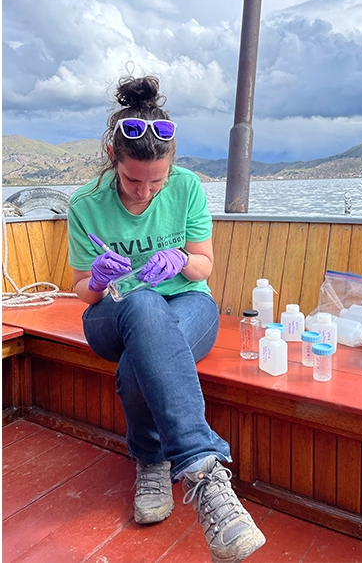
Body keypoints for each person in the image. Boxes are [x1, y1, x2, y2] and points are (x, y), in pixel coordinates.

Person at [68, 76, 266, 563]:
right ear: (114, 158)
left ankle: (155, 459)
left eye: (156, 181)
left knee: (147, 346)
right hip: (111, 313)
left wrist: (180, 259)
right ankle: (204, 467)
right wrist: (96, 276)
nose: (145, 191)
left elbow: (204, 264)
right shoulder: (85, 204)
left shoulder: (188, 188)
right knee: (139, 304)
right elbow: (82, 293)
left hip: (188, 304)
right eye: (134, 180)